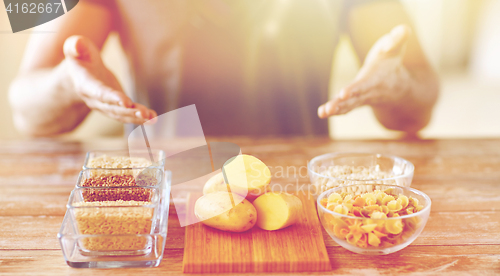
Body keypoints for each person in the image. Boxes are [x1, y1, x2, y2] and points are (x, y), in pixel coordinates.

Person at [9, 0, 439, 137]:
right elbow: (26, 109)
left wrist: (398, 85)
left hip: (298, 196)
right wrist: (68, 84)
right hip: (165, 192)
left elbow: (420, 101)